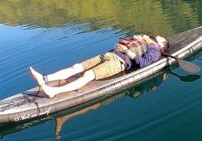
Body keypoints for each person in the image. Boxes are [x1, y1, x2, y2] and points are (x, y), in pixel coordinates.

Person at [29, 34, 169, 99]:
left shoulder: (155, 50)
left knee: (88, 75)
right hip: (108, 55)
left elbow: (143, 63)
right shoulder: (145, 39)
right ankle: (45, 77)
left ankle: (54, 92)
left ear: (161, 45)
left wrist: (126, 51)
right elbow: (124, 40)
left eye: (160, 39)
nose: (157, 36)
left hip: (118, 63)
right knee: (76, 67)